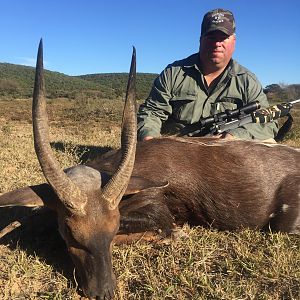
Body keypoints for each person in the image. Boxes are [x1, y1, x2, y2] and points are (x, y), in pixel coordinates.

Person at [137, 8, 278, 141]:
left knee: (269, 144)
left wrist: (233, 136)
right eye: (211, 37)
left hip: (228, 149)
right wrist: (150, 139)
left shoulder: (247, 80)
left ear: (233, 41)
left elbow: (268, 122)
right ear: (200, 39)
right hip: (178, 149)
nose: (217, 43)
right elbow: (152, 111)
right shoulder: (173, 73)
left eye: (223, 38)